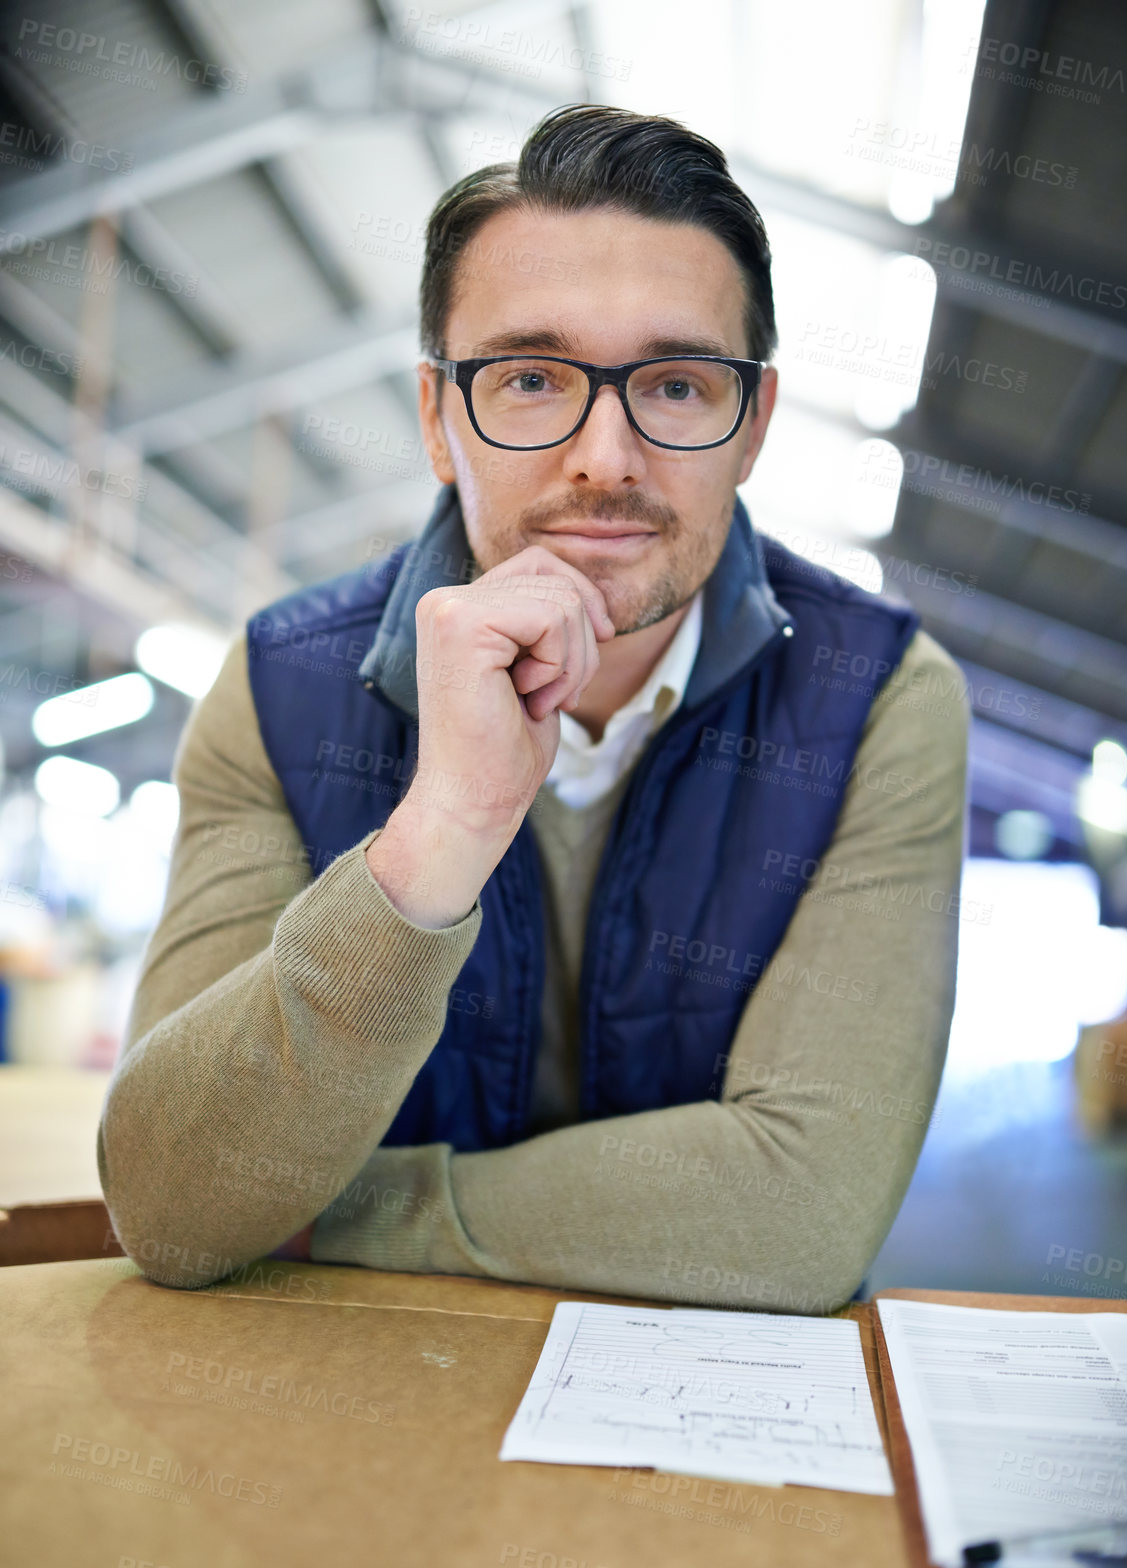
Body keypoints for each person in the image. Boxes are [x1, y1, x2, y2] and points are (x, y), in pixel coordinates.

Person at [98, 103, 969, 1310]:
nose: (605, 457)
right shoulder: (280, 684)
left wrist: (323, 1216)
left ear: (754, 426)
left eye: (673, 384)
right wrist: (442, 827)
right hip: (352, 1416)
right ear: (439, 421)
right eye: (528, 378)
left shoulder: (876, 702)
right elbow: (173, 1203)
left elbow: (798, 1210)